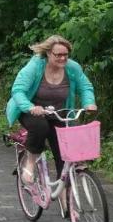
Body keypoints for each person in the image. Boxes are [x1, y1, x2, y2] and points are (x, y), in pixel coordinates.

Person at [6, 35, 97, 192]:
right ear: (48, 53)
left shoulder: (72, 68)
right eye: (58, 55)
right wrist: (30, 107)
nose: (62, 58)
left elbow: (85, 86)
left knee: (66, 152)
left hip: (59, 112)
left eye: (65, 55)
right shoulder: (35, 66)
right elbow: (18, 90)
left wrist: (89, 102)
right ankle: (30, 164)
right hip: (30, 110)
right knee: (41, 127)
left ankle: (64, 196)